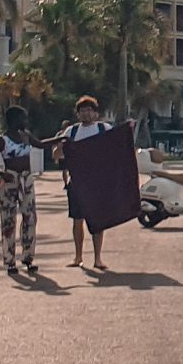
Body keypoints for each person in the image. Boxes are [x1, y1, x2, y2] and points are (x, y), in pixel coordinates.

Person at [55, 95, 115, 272]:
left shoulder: (104, 129)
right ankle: (78, 256)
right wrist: (60, 147)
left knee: (98, 221)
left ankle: (98, 258)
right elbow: (57, 155)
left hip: (98, 182)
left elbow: (116, 150)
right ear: (78, 114)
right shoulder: (71, 132)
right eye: (83, 111)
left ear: (96, 113)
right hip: (77, 183)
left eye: (90, 110)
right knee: (77, 220)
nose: (86, 114)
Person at [0, 106, 42, 273]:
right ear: (13, 120)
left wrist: (62, 138)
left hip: (26, 179)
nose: (25, 121)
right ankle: (10, 261)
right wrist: (2, 174)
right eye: (23, 118)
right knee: (8, 222)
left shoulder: (26, 136)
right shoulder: (1, 141)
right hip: (10, 181)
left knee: (30, 218)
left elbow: (41, 145)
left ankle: (28, 257)